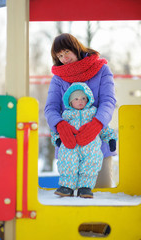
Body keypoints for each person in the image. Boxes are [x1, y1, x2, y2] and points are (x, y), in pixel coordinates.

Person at [44, 33, 117, 191]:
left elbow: (108, 101)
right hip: (69, 146)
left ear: (75, 48)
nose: (64, 58)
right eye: (60, 55)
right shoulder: (58, 78)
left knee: (102, 194)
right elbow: (50, 108)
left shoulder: (101, 69)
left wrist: (96, 124)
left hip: (97, 147)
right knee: (70, 198)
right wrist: (60, 125)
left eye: (66, 52)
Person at [51, 83, 117, 198]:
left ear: (88, 99)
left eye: (83, 98)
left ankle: (85, 188)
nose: (80, 101)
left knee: (90, 164)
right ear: (70, 102)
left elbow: (103, 128)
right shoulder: (66, 115)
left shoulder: (93, 114)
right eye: (76, 99)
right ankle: (67, 187)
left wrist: (111, 139)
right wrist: (58, 140)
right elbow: (57, 131)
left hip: (91, 147)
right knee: (68, 164)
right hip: (70, 148)